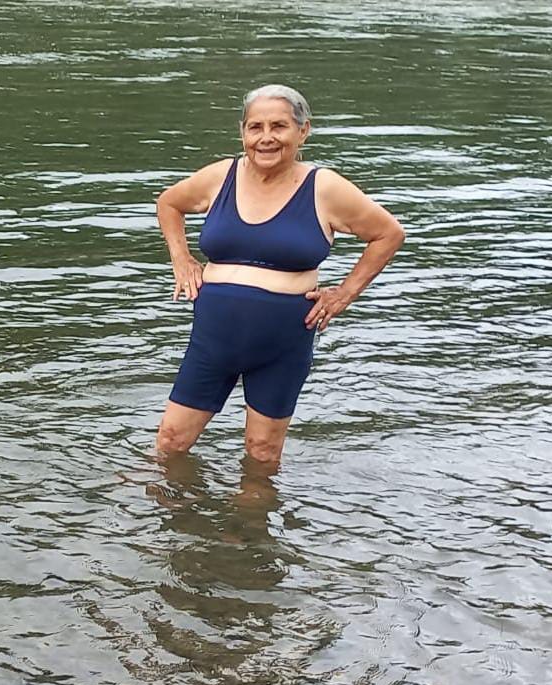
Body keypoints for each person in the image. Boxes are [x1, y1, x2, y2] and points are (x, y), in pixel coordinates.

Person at [155, 84, 405, 463]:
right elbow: (169, 203)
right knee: (171, 441)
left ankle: (253, 506)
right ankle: (172, 503)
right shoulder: (221, 176)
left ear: (302, 131)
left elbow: (388, 233)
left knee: (263, 453)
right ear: (243, 132)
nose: (266, 138)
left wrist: (344, 294)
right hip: (213, 339)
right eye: (255, 127)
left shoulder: (324, 188)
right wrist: (182, 260)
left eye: (279, 126)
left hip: (282, 345)